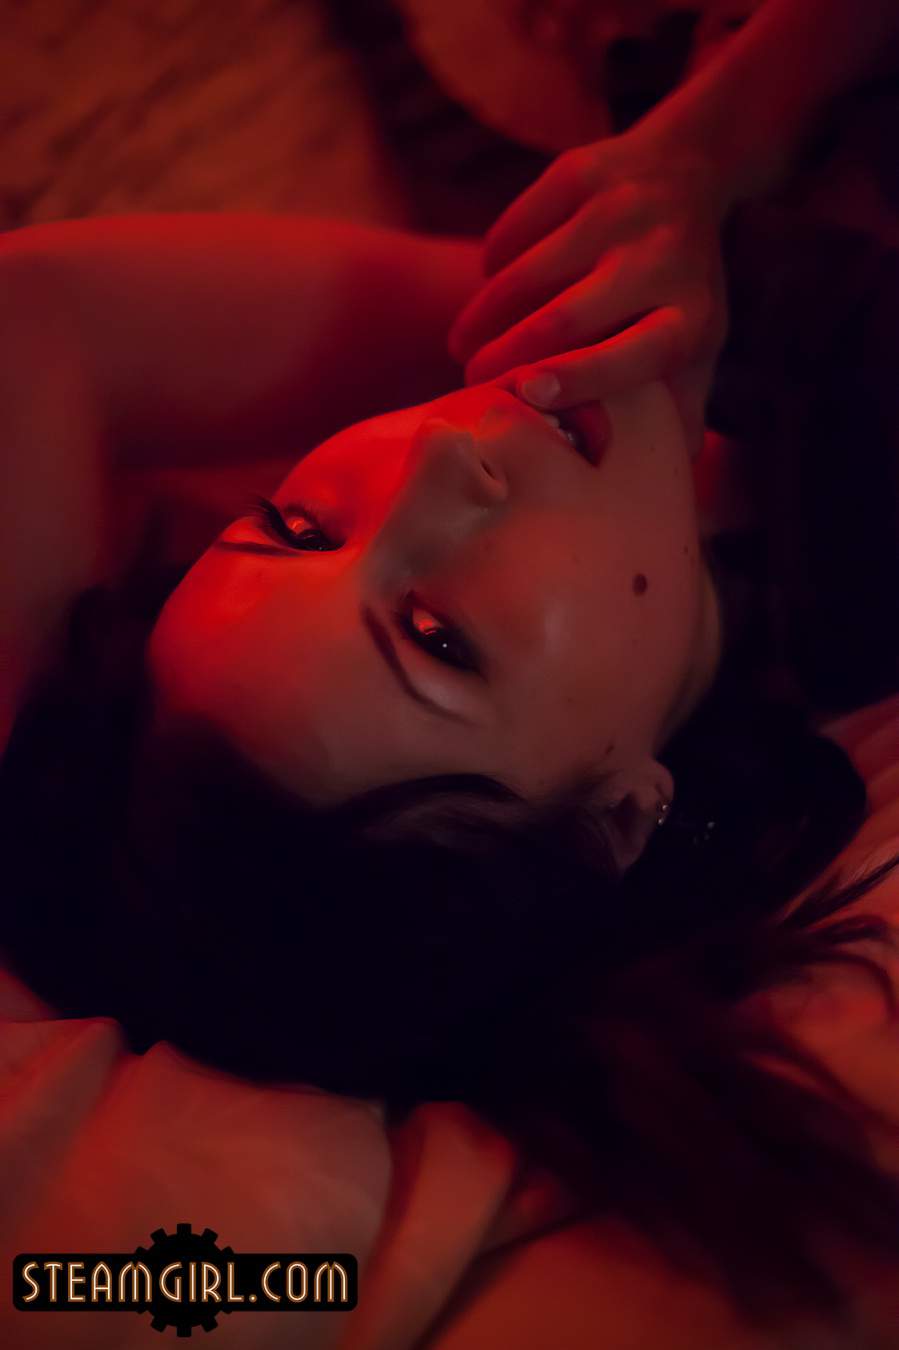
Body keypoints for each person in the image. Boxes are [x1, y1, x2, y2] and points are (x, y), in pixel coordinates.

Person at [2, 0, 899, 1336]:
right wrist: (712, 151)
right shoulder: (864, 475)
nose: (430, 456)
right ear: (619, 816)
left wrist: (632, 240)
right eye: (434, 637)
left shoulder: (581, 288)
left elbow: (28, 319)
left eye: (298, 524)